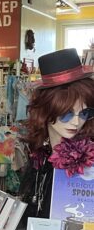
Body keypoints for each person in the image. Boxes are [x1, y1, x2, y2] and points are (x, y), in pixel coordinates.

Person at [19, 48, 94, 220]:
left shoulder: (88, 160)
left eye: (84, 113)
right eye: (66, 114)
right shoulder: (41, 157)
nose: (76, 122)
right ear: (45, 112)